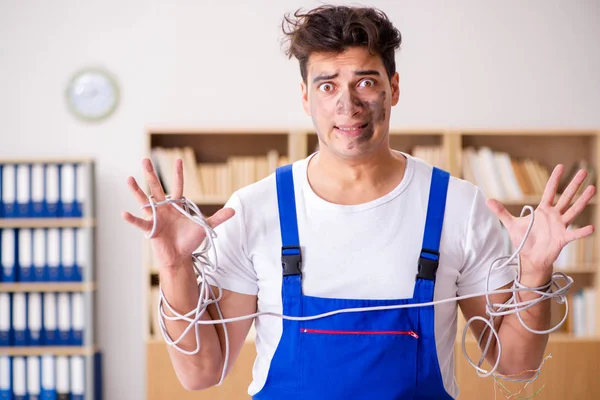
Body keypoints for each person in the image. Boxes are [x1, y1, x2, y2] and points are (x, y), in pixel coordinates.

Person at [123, 5, 596, 399]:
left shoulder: (456, 206)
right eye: (327, 85)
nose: (347, 105)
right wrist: (174, 267)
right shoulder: (257, 208)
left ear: (394, 88)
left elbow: (514, 366)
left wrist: (534, 274)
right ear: (306, 98)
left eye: (366, 82)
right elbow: (200, 372)